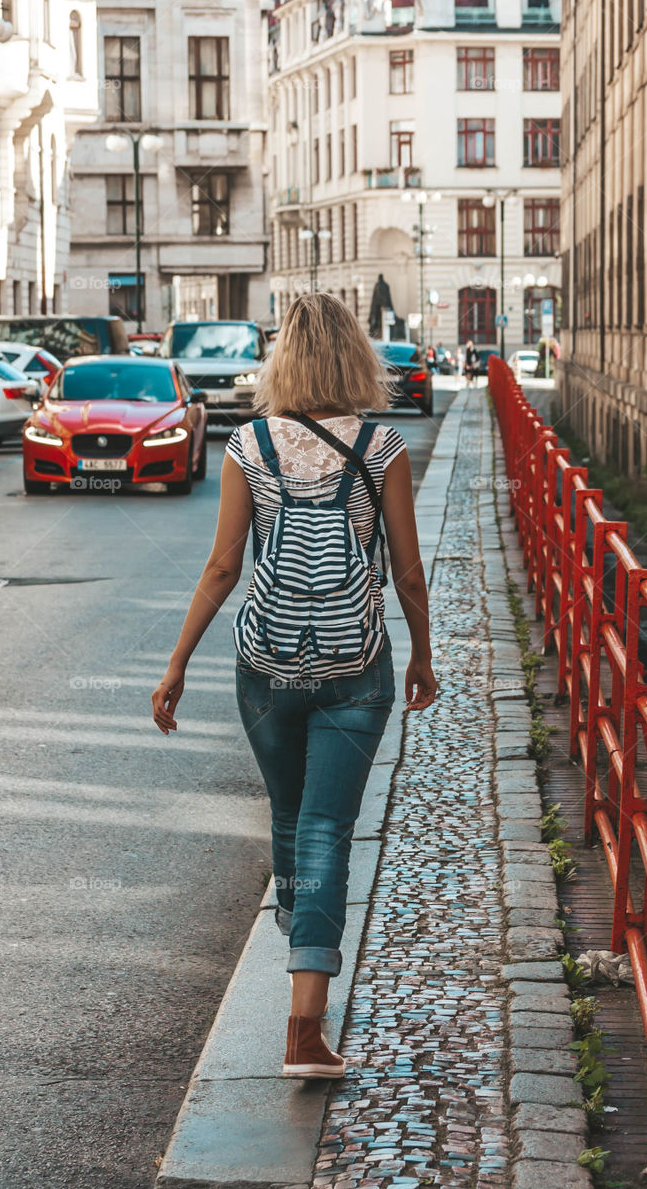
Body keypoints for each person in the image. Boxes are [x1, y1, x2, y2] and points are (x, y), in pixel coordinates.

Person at [151, 293, 438, 1079]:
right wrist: (422, 655)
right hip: (356, 669)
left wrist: (177, 665)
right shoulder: (383, 449)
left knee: (294, 819)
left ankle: (301, 944)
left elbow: (221, 568)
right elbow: (406, 572)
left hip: (265, 669)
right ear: (355, 355)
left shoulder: (248, 445)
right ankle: (304, 1024)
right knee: (324, 827)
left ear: (284, 358)